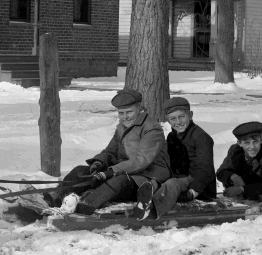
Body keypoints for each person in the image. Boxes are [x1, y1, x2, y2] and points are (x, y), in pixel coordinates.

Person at [43, 88, 171, 215]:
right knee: (80, 171)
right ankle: (56, 199)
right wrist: (99, 163)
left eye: (129, 112)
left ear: (140, 108)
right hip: (123, 171)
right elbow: (111, 150)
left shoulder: (152, 129)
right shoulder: (122, 127)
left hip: (145, 178)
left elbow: (141, 160)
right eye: (121, 113)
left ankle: (84, 207)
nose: (125, 117)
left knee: (117, 182)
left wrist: (111, 172)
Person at [137, 97, 216, 219]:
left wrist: (193, 191)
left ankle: (153, 210)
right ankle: (144, 201)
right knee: (157, 180)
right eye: (173, 119)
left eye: (182, 117)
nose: (178, 122)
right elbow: (169, 162)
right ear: (168, 120)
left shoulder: (201, 137)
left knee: (172, 184)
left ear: (190, 115)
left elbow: (205, 168)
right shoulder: (171, 137)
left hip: (197, 183)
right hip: (177, 178)